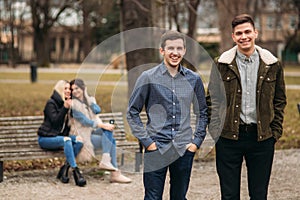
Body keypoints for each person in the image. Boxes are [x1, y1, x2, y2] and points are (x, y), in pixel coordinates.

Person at [207, 14, 287, 200]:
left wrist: (275, 132)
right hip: (228, 138)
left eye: (247, 32)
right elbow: (212, 99)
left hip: (262, 138)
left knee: (259, 195)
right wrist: (216, 130)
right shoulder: (221, 64)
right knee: (229, 195)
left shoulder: (272, 64)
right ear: (233, 37)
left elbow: (280, 100)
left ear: (255, 33)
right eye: (239, 33)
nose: (244, 36)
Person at [127, 30, 208, 199]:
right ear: (162, 50)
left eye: (179, 48)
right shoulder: (147, 77)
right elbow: (132, 112)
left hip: (183, 149)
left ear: (184, 50)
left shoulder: (194, 79)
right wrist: (148, 143)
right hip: (156, 148)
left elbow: (202, 113)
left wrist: (196, 142)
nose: (175, 53)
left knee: (179, 197)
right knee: (152, 197)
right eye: (170, 48)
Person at [69, 78, 132, 184]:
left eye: (77, 88)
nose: (75, 91)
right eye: (73, 89)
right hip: (83, 136)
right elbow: (86, 122)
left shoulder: (89, 100)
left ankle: (106, 162)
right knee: (111, 140)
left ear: (83, 88)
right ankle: (115, 173)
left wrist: (88, 98)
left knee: (108, 132)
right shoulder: (73, 105)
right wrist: (103, 125)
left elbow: (97, 110)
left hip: (92, 131)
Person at [37, 80, 87, 187]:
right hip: (45, 139)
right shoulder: (51, 103)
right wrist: (64, 108)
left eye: (69, 89)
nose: (68, 91)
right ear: (59, 89)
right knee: (67, 140)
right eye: (65, 88)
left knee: (79, 141)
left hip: (60, 138)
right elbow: (55, 122)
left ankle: (64, 169)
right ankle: (76, 172)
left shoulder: (67, 103)